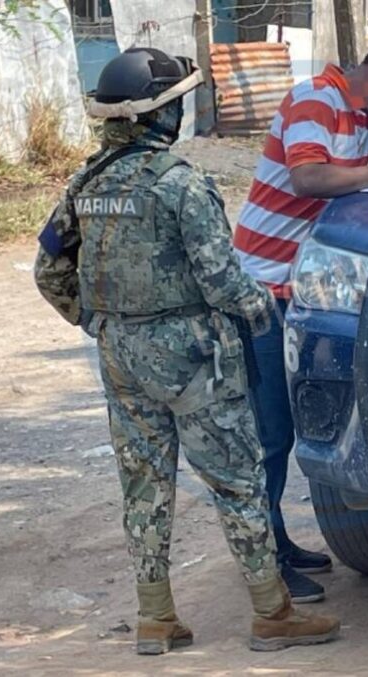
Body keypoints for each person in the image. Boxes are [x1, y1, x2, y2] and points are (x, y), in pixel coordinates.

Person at [33, 47, 340, 654]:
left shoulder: (85, 185)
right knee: (238, 479)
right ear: (160, 115)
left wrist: (97, 320)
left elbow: (48, 271)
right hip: (196, 357)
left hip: (121, 355)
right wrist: (263, 313)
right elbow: (223, 279)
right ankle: (272, 613)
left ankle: (155, 620)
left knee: (144, 485)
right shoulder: (182, 185)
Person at [232, 30, 368, 603]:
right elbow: (309, 178)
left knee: (300, 419)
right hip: (261, 290)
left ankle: (275, 544)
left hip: (298, 288)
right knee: (270, 432)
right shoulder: (317, 100)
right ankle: (265, 562)